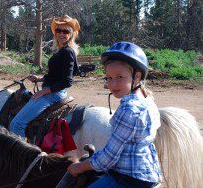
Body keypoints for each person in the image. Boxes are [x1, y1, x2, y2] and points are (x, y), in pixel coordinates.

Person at [56, 42, 161, 188]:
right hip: (148, 173)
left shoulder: (129, 109)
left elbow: (108, 158)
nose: (113, 84)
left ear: (137, 77)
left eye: (119, 77)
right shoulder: (147, 100)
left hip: (128, 178)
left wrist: (79, 167)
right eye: (109, 78)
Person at [10, 15, 80, 138]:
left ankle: (21, 155)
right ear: (55, 33)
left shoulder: (67, 52)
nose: (61, 34)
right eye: (59, 30)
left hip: (53, 94)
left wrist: (43, 92)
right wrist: (39, 79)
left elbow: (67, 81)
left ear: (71, 34)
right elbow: (56, 75)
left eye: (66, 31)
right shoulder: (62, 51)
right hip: (52, 91)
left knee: (16, 124)